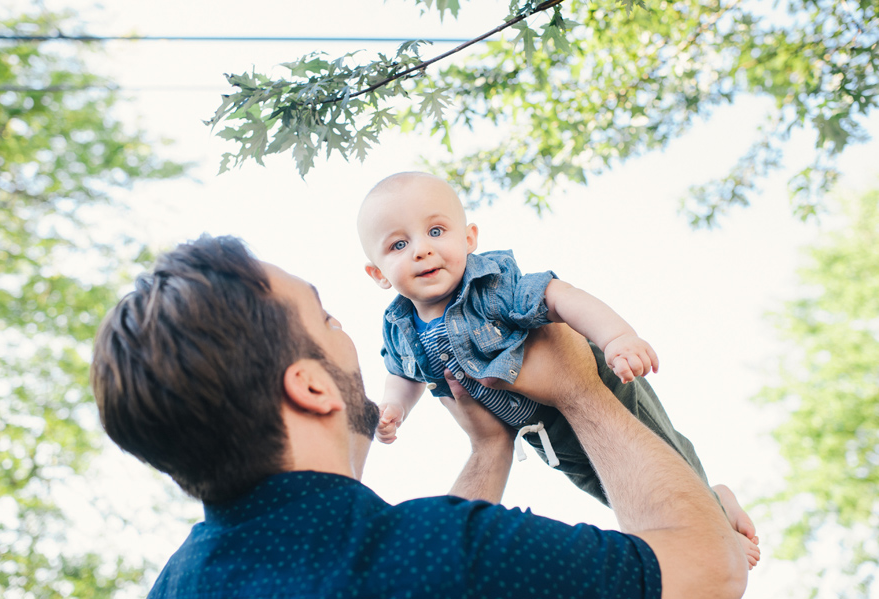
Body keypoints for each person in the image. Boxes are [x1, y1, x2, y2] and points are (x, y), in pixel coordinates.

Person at [91, 234, 753, 599]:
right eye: (326, 319)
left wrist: (487, 452)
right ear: (311, 388)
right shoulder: (439, 553)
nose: (347, 332)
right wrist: (581, 387)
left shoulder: (176, 586)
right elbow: (710, 571)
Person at [357, 171, 757, 552]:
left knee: (655, 448)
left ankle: (716, 519)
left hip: (599, 383)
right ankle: (711, 514)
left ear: (469, 238)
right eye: (398, 245)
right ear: (378, 274)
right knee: (616, 486)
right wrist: (395, 408)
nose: (421, 249)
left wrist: (617, 337)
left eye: (436, 231)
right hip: (540, 430)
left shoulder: (490, 287)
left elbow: (558, 295)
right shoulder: (399, 328)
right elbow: (400, 373)